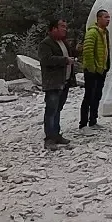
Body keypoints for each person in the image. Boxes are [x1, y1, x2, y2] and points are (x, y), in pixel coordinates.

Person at [38, 18, 75, 151]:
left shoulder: (63, 42)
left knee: (58, 109)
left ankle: (56, 134)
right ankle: (49, 138)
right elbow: (46, 60)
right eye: (62, 26)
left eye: (66, 26)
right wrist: (65, 60)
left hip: (63, 82)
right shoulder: (46, 44)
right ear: (53, 28)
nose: (65, 29)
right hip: (53, 82)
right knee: (51, 110)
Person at [80, 9, 111, 133]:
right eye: (105, 17)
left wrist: (106, 66)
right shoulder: (92, 32)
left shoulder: (105, 32)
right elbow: (87, 51)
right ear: (98, 18)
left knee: (97, 96)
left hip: (101, 69)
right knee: (88, 96)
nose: (108, 20)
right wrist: (92, 68)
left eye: (109, 17)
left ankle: (93, 121)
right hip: (93, 71)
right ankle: (83, 124)